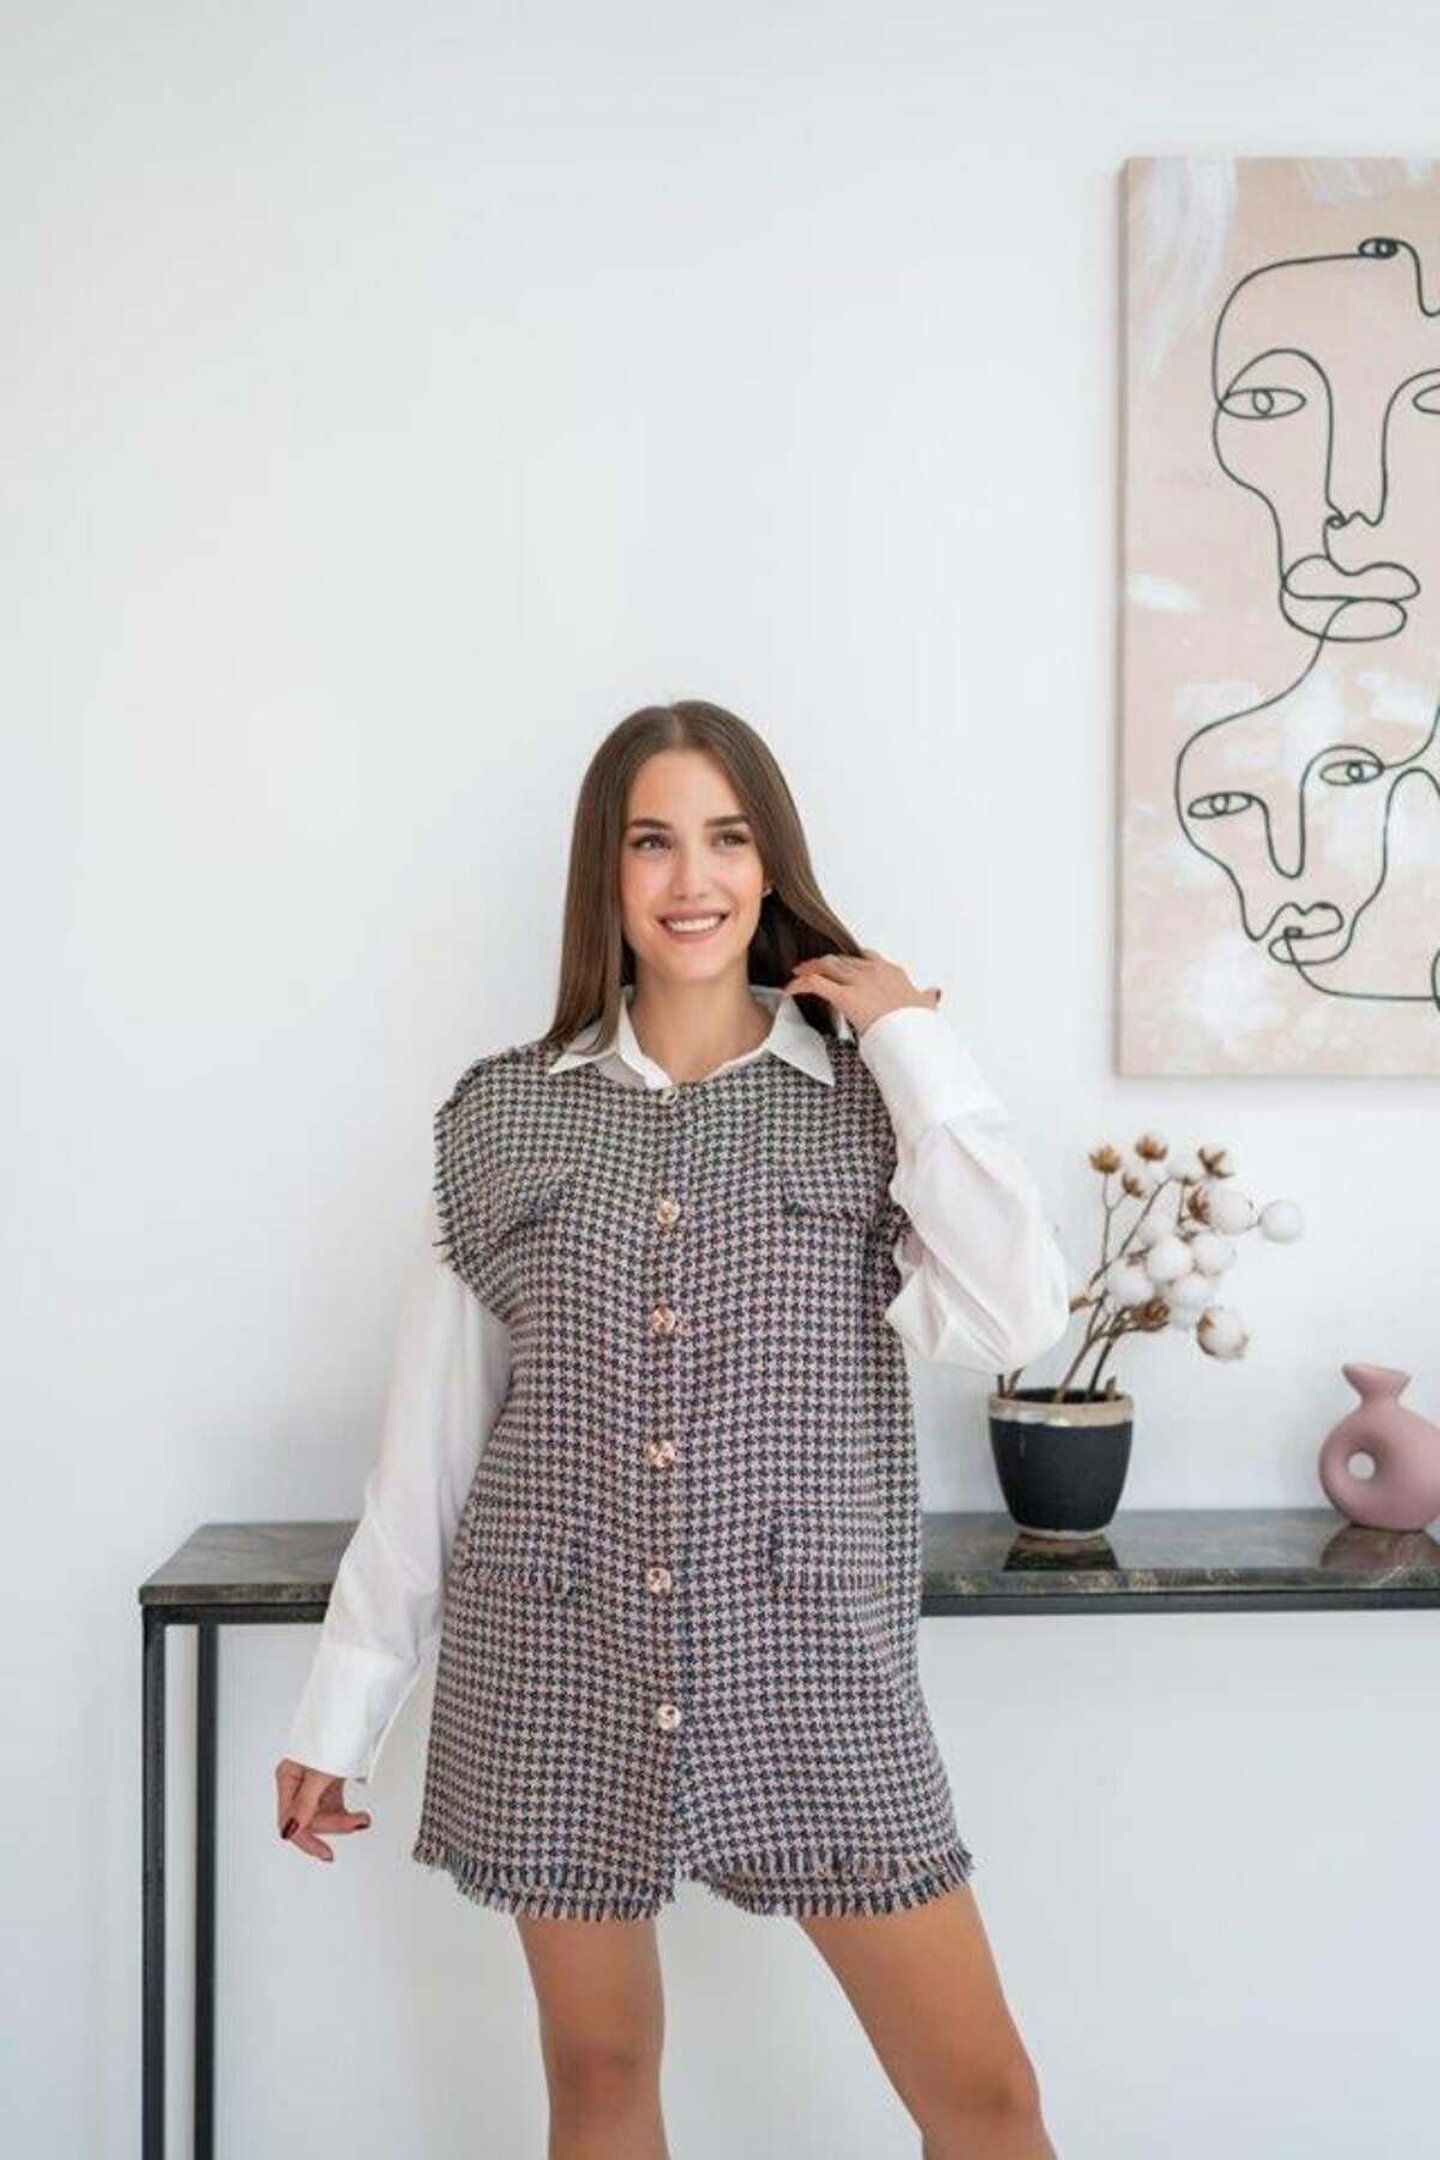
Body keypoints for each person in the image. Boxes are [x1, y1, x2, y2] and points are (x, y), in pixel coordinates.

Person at [275, 699, 1068, 2159]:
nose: (691, 878)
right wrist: (343, 1710)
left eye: (726, 838)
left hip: (812, 1664)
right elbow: (432, 1448)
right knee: (597, 2075)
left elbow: (1017, 1319)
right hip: (554, 1655)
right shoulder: (504, 1116)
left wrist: (908, 1036)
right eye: (652, 842)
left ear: (771, 867)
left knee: (984, 2097)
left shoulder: (870, 1102)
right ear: (607, 871)